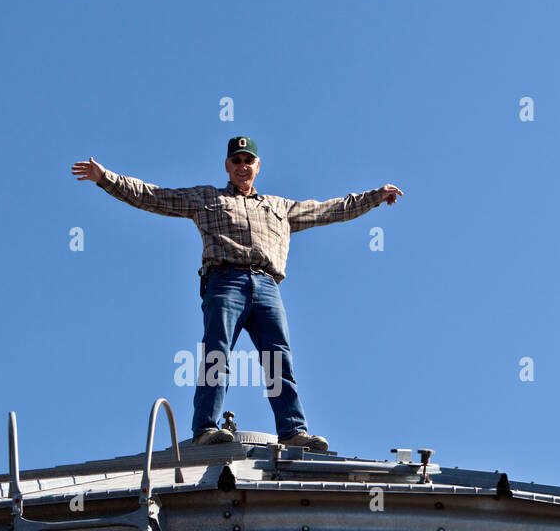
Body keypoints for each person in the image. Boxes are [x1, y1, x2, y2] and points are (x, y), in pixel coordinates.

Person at [71, 137, 403, 451]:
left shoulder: (279, 207)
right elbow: (153, 196)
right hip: (224, 280)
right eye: (237, 160)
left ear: (258, 166)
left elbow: (331, 209)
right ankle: (205, 428)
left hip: (267, 285)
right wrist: (105, 178)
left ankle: (292, 431)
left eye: (249, 160)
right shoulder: (206, 198)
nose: (243, 166)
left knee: (277, 358)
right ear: (227, 166)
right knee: (218, 352)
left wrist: (374, 197)